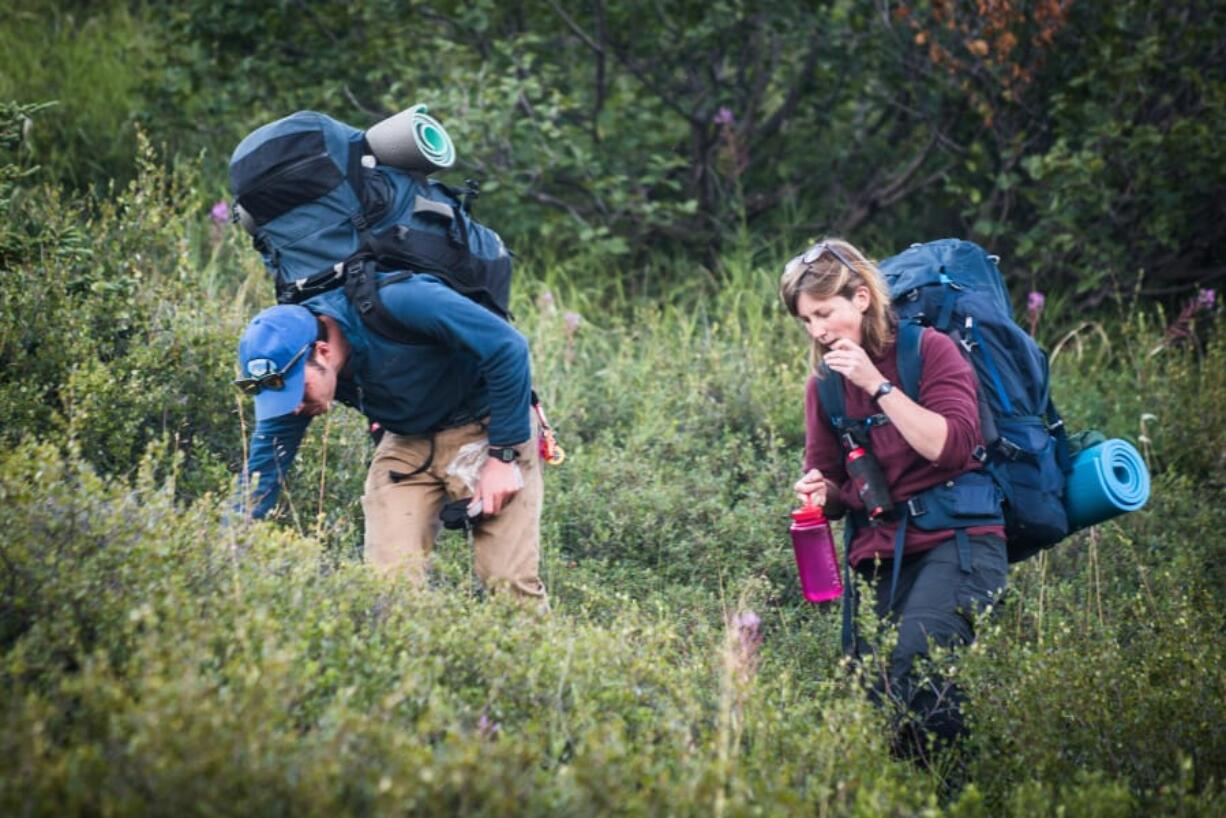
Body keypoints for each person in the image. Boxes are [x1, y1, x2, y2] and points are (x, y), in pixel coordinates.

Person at [779, 238, 1007, 763]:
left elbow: (949, 447)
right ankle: (916, 793)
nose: (816, 332)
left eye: (824, 314)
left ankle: (951, 793)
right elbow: (833, 482)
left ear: (861, 298)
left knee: (918, 661)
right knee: (880, 691)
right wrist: (823, 491)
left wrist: (876, 384)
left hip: (960, 541)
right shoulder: (825, 386)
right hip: (882, 554)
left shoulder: (929, 351)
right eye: (806, 321)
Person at [232, 273, 546, 602]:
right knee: (387, 590)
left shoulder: (400, 300)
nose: (293, 407)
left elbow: (508, 347)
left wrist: (503, 456)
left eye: (299, 391)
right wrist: (229, 552)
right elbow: (261, 473)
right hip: (407, 441)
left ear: (323, 351)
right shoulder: (295, 374)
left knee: (508, 584)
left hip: (488, 425)